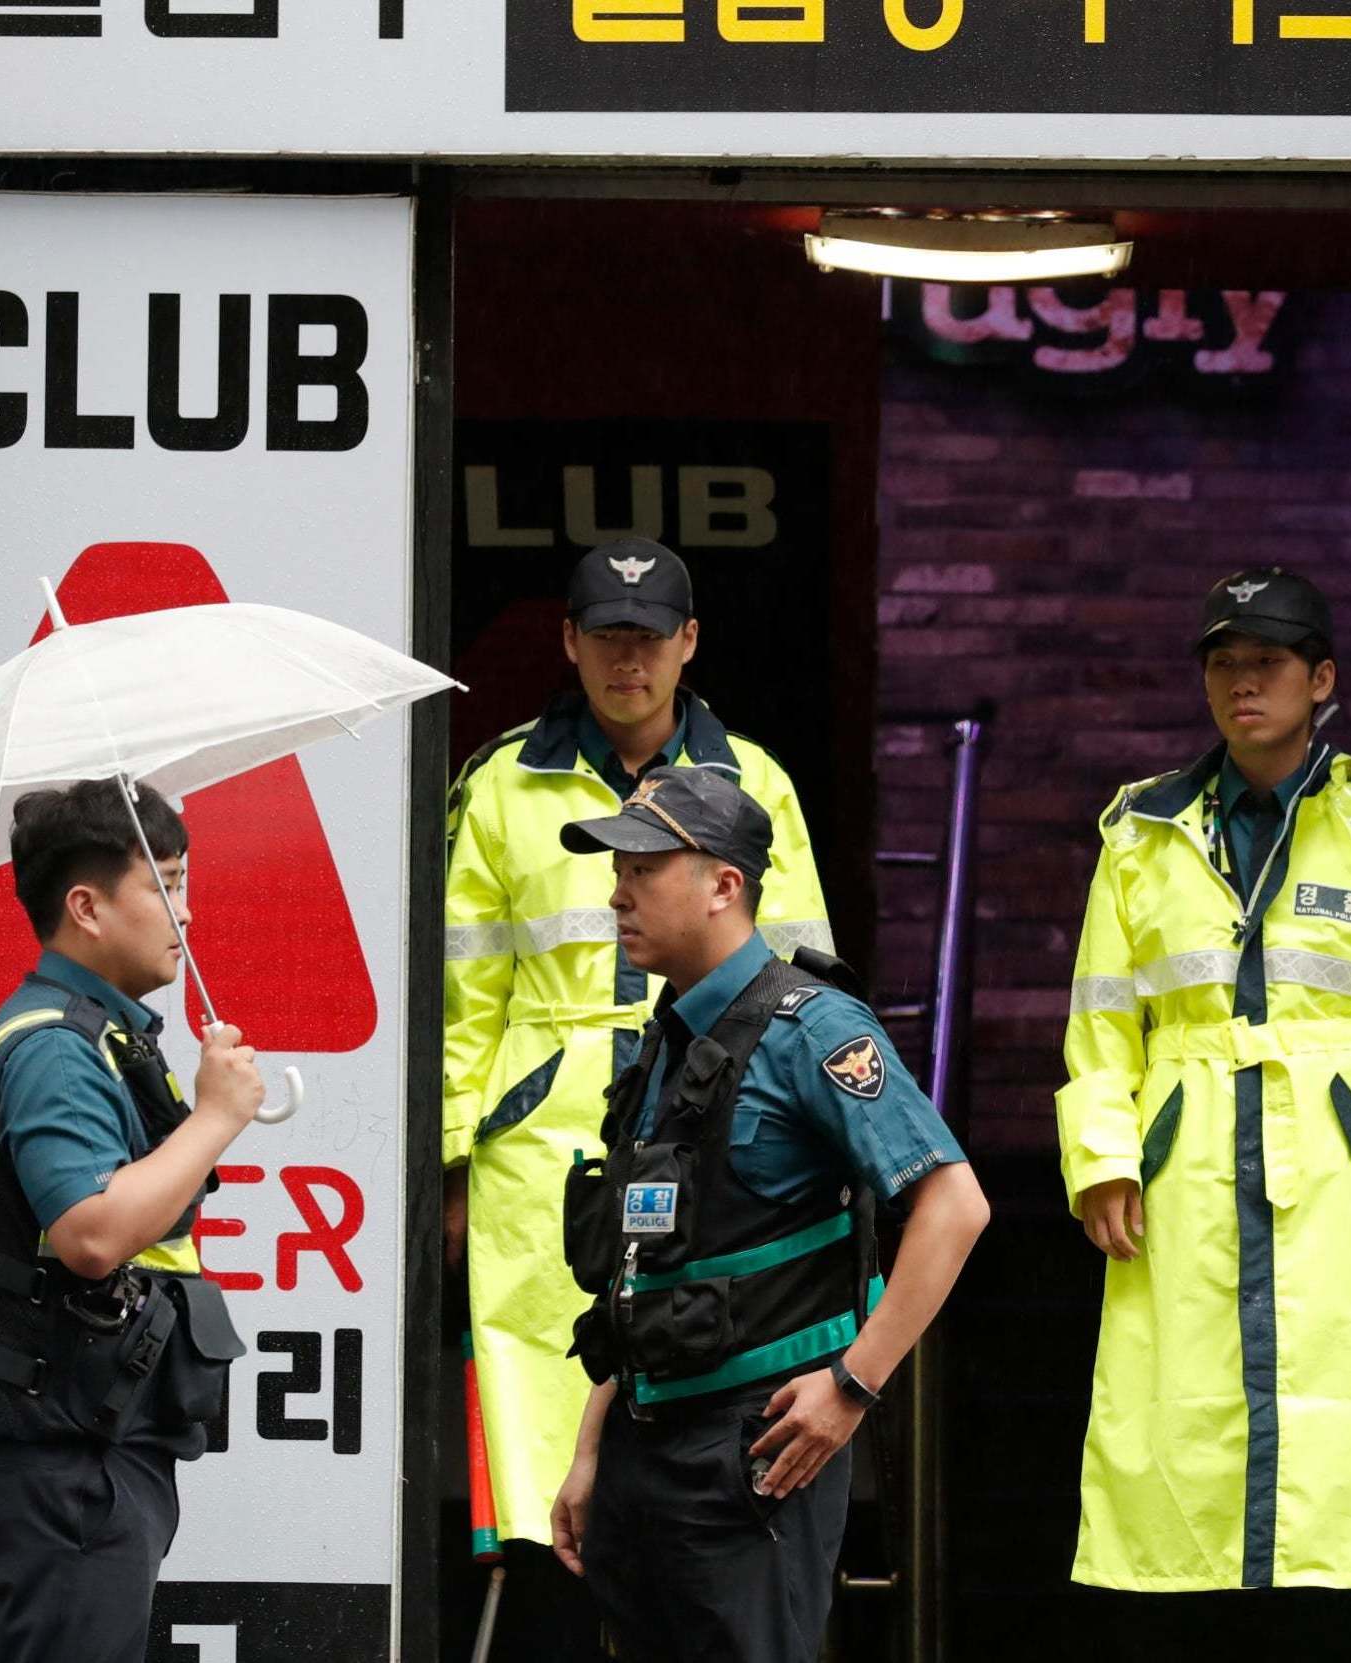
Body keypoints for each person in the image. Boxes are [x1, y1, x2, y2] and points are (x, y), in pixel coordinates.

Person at [1056, 567, 1351, 1597]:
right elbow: (1101, 1021)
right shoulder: (1141, 835)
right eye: (1223, 664)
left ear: (1320, 676)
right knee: (1171, 1401)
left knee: (1334, 1396)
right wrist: (1104, 1158)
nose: (1242, 683)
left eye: (1267, 662)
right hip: (1183, 1155)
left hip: (1335, 1165)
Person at [442, 536, 835, 1642]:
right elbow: (465, 995)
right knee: (545, 1438)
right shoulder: (502, 780)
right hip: (543, 1144)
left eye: (650, 638)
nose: (629, 661)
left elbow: (802, 975)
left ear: (689, 643)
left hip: (717, 1132)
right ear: (567, 642)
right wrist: (453, 1165)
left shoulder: (754, 781)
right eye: (606, 638)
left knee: (704, 1431)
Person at [548, 768, 988, 1663]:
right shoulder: (662, 1041)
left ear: (724, 884)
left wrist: (854, 1387)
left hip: (754, 1448)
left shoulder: (813, 1025)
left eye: (645, 866)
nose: (617, 891)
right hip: (643, 1449)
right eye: (616, 868)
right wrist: (593, 1446)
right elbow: (648, 1260)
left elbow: (955, 1204)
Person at [0, 779, 263, 1663]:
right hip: (58, 1468)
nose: (185, 914)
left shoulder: (99, 1037)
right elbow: (89, 1232)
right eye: (164, 885)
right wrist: (215, 1119)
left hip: (79, 1455)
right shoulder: (54, 1047)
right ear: (84, 905)